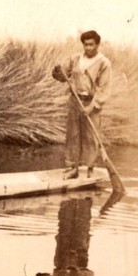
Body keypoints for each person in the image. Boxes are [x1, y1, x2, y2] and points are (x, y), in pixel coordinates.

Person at [51, 30, 112, 179]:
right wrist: (58, 70)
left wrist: (91, 107)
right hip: (75, 101)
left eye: (91, 44)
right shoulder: (75, 59)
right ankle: (74, 168)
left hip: (92, 103)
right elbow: (62, 76)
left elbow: (103, 88)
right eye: (86, 45)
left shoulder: (104, 63)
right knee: (73, 135)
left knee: (91, 137)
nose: (88, 48)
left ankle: (90, 168)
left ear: (97, 44)